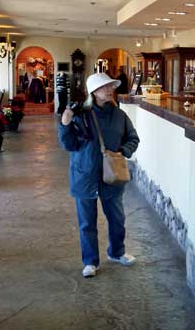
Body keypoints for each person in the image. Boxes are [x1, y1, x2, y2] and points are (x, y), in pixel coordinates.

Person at [58, 73, 140, 278]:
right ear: (93, 92)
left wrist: (123, 151)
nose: (110, 89)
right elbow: (69, 145)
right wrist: (65, 123)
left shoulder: (119, 115)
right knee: (87, 223)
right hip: (84, 175)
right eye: (105, 86)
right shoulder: (81, 115)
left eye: (111, 86)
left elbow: (133, 138)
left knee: (117, 219)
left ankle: (117, 252)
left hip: (111, 175)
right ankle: (90, 261)